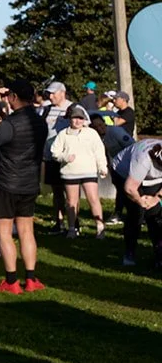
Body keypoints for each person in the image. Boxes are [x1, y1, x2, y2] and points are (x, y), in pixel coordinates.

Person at [0, 79, 50, 294]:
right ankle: (31, 278)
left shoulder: (9, 124)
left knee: (4, 232)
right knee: (27, 231)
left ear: (14, 97)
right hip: (29, 182)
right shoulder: (40, 122)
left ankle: (11, 281)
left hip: (5, 183)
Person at [50, 105, 108, 238]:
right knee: (71, 202)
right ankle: (72, 229)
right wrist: (64, 157)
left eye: (80, 119)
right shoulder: (63, 134)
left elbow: (99, 151)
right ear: (70, 119)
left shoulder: (91, 133)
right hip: (70, 172)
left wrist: (102, 167)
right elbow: (55, 151)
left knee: (93, 199)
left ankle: (100, 227)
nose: (78, 121)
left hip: (89, 171)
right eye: (75, 118)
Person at [111, 139, 162, 270]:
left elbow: (157, 198)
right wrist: (141, 201)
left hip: (154, 179)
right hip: (124, 173)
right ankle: (130, 253)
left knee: (155, 214)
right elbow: (129, 188)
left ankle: (159, 255)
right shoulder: (143, 160)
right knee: (136, 213)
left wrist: (156, 199)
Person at [40, 81, 73, 230]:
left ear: (62, 92)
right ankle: (59, 222)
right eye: (49, 93)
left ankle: (74, 223)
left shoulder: (73, 108)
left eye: (53, 93)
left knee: (71, 192)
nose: (50, 96)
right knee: (57, 191)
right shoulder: (46, 109)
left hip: (68, 157)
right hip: (50, 156)